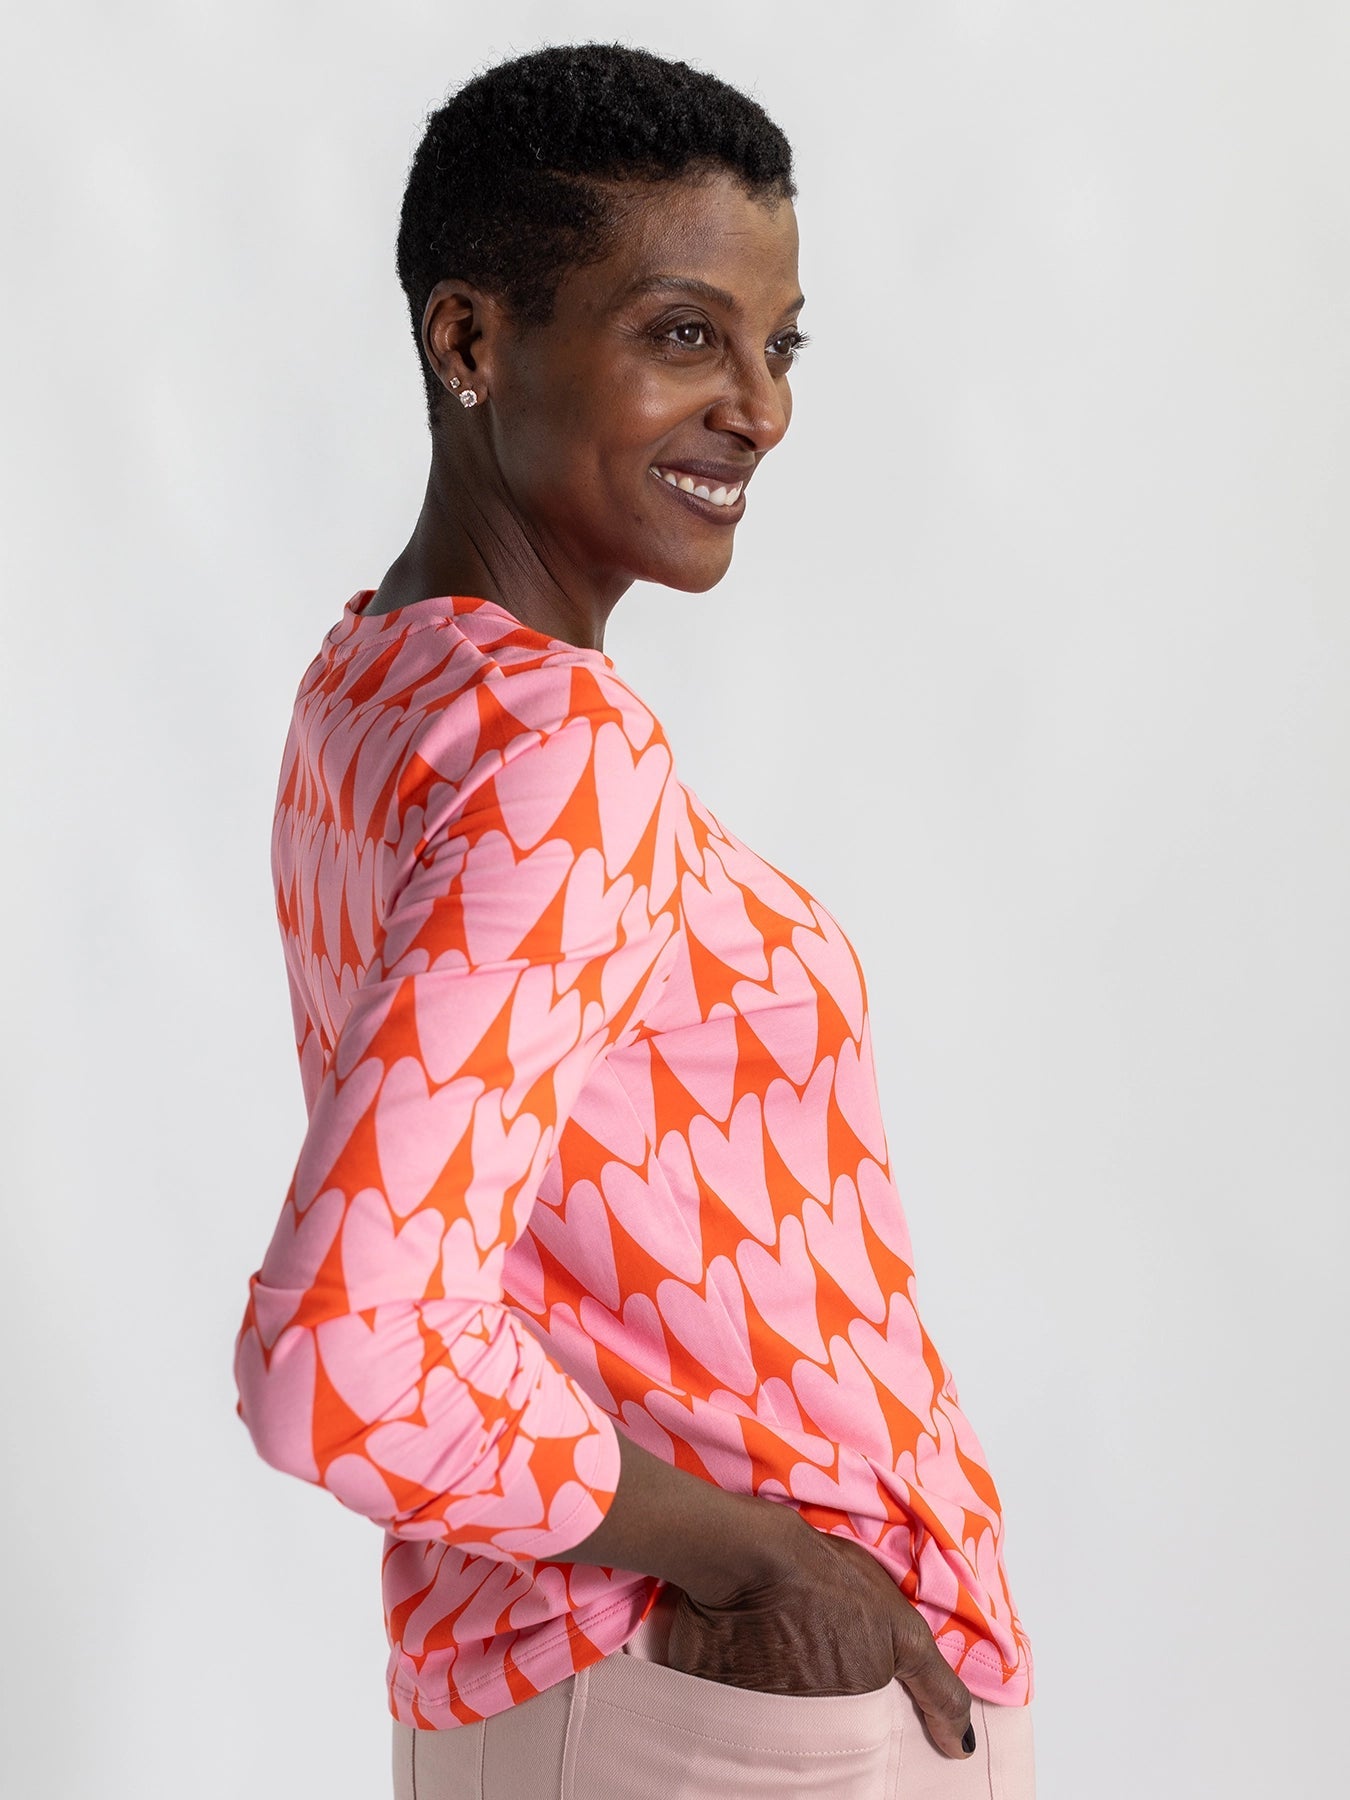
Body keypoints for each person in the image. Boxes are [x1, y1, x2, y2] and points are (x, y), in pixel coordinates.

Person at [233, 42, 1036, 1800]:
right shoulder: (555, 747)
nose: (759, 409)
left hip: (576, 1696)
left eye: (778, 347)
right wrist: (759, 1558)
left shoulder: (375, 682)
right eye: (684, 335)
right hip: (718, 1693)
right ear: (470, 341)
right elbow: (345, 1357)